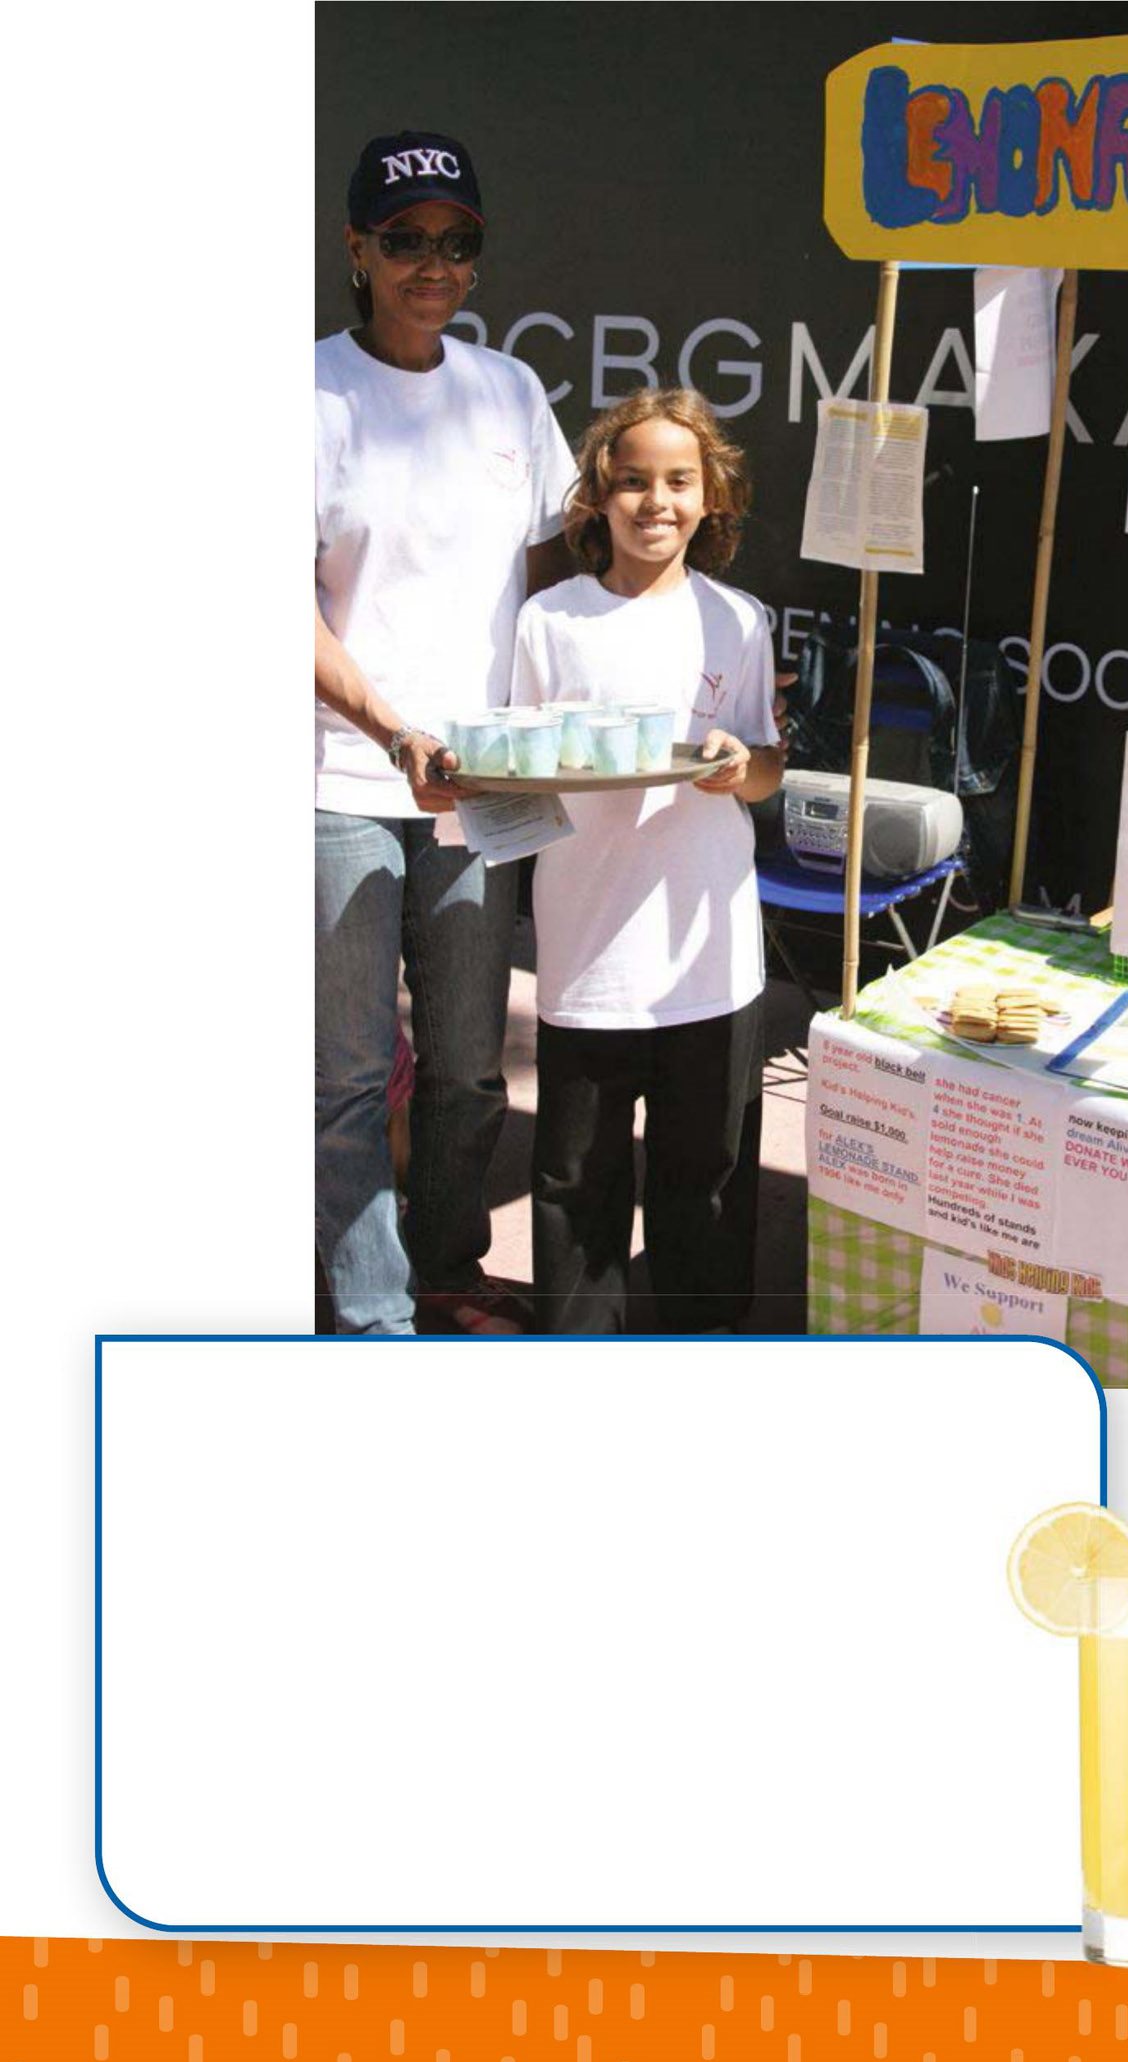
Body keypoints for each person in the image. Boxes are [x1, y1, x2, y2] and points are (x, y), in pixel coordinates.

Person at [315, 130, 577, 1335]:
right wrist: (389, 726)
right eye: (408, 240)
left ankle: (449, 1268)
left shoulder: (511, 388)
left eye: (457, 241)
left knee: (472, 1069)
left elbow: (556, 566)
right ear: (357, 249)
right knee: (352, 1077)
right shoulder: (305, 396)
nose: (435, 263)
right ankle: (372, 1314)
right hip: (335, 782)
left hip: (483, 786)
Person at [510, 388, 785, 1333]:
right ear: (599, 494)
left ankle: (702, 1352)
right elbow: (519, 771)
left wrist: (745, 768)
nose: (654, 502)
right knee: (576, 1178)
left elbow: (767, 762)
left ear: (711, 497)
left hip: (709, 956)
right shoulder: (550, 621)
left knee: (704, 1178)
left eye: (678, 480)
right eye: (632, 481)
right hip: (588, 953)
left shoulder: (740, 620)